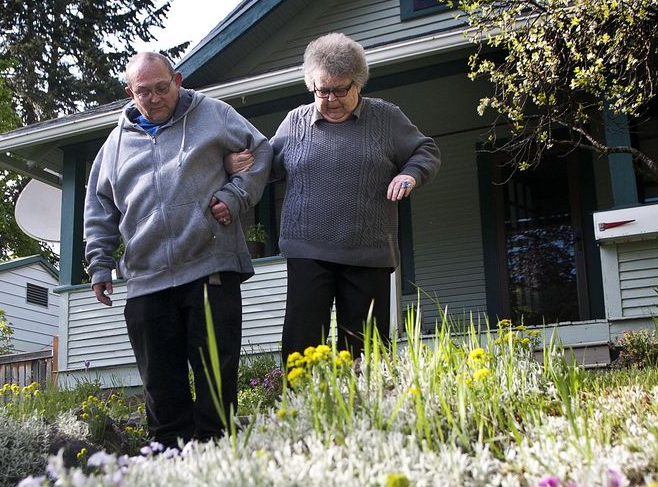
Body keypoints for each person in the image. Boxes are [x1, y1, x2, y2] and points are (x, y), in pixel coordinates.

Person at [84, 52, 272, 448]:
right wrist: (99, 264)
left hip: (209, 268)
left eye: (160, 88)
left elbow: (261, 152)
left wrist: (236, 196)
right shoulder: (115, 145)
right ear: (129, 93)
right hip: (146, 279)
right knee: (161, 389)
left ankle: (220, 459)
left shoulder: (214, 115)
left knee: (215, 381)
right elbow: (100, 209)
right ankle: (170, 465)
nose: (153, 98)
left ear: (178, 80)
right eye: (143, 92)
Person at [231, 32, 440, 363]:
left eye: (339, 90)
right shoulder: (295, 122)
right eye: (322, 90)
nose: (330, 99)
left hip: (368, 251)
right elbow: (267, 165)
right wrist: (239, 165)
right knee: (301, 344)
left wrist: (409, 173)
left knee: (365, 349)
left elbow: (424, 150)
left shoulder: (385, 118)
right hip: (307, 250)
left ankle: (367, 411)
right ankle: (301, 410)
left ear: (358, 84)